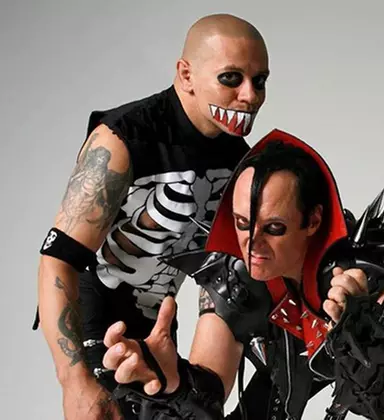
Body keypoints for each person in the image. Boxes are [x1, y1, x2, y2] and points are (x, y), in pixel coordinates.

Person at [98, 129, 384, 420]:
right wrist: (172, 381)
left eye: (274, 228)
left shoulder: (363, 274)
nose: (252, 244)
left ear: (313, 221)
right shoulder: (235, 275)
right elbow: (208, 393)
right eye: (242, 224)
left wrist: (364, 342)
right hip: (282, 379)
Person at [35, 13, 269, 419]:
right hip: (97, 324)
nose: (249, 96)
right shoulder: (123, 138)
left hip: (160, 326)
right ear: (186, 74)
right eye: (231, 78)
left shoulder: (239, 161)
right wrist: (75, 382)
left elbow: (225, 275)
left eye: (260, 80)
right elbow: (58, 259)